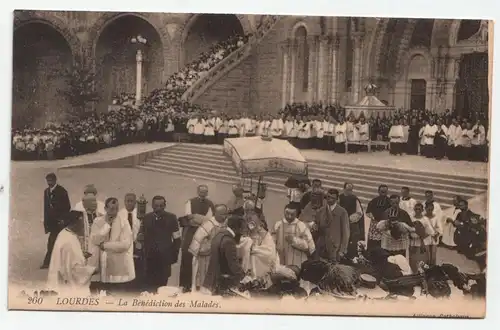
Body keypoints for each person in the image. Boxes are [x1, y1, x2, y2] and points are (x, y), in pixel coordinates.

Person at [89, 197, 134, 295]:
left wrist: (105, 246)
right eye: (111, 209)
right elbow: (95, 239)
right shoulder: (97, 221)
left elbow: (125, 245)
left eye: (116, 209)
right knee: (103, 295)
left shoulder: (124, 222)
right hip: (103, 266)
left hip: (118, 266)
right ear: (105, 208)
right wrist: (107, 225)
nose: (114, 211)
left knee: (117, 295)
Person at [47, 210, 96, 295]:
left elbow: (67, 260)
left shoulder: (64, 234)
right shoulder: (69, 242)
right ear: (75, 223)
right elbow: (76, 271)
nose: (83, 227)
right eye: (82, 224)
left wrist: (81, 255)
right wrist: (93, 270)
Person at [179, 185, 215, 292]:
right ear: (198, 191)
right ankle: (185, 285)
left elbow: (210, 220)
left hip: (203, 233)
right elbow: (189, 218)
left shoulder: (210, 204)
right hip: (190, 232)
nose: (203, 193)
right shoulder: (190, 202)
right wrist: (200, 218)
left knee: (202, 259)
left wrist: (196, 217)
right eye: (201, 191)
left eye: (205, 192)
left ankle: (198, 285)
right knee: (187, 256)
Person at [142, 196, 181, 293]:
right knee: (149, 288)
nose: (158, 208)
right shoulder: (146, 218)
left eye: (161, 206)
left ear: (165, 206)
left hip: (164, 260)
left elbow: (177, 239)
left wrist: (173, 257)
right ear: (152, 206)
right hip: (149, 259)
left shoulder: (172, 218)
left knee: (162, 289)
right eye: (156, 206)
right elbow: (142, 238)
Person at [202, 215, 246, 295]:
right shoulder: (229, 241)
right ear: (236, 228)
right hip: (218, 286)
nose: (242, 233)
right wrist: (244, 276)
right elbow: (233, 265)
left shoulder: (219, 235)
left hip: (209, 284)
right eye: (242, 229)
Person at [189, 204, 228, 292]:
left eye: (226, 214)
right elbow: (197, 240)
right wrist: (203, 249)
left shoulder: (225, 224)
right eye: (221, 214)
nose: (224, 216)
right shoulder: (208, 225)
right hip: (206, 255)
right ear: (215, 214)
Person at [42, 173, 71, 269]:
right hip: (52, 223)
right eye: (48, 181)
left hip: (60, 222)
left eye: (50, 181)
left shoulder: (62, 191)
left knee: (54, 241)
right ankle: (53, 261)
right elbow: (46, 208)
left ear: (55, 180)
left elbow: (67, 207)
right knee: (53, 241)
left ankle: (48, 262)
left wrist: (63, 219)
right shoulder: (46, 192)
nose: (49, 183)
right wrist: (46, 223)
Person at [315, 189, 349, 263]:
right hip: (322, 246)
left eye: (332, 198)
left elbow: (345, 232)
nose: (330, 200)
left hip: (335, 247)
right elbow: (317, 227)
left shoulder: (342, 212)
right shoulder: (321, 210)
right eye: (328, 197)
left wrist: (342, 250)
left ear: (337, 199)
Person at [338, 183, 364, 259]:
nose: (349, 191)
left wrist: (350, 219)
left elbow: (359, 212)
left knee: (352, 239)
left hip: (351, 222)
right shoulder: (340, 197)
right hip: (340, 221)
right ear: (344, 189)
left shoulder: (354, 199)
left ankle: (350, 256)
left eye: (350, 190)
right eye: (347, 190)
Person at [408, 203, 434, 273]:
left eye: (419, 209)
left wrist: (421, 237)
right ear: (414, 209)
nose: (417, 211)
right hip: (412, 243)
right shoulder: (411, 218)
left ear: (422, 210)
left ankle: (423, 276)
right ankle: (413, 275)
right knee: (412, 261)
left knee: (422, 262)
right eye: (416, 209)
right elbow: (408, 229)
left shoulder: (425, 219)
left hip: (422, 244)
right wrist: (410, 236)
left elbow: (431, 232)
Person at [365, 185, 391, 252]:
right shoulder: (374, 200)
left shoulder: (389, 202)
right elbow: (368, 212)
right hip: (374, 224)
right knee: (373, 243)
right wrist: (373, 218)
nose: (383, 194)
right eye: (382, 192)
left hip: (384, 225)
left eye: (385, 192)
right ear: (378, 191)